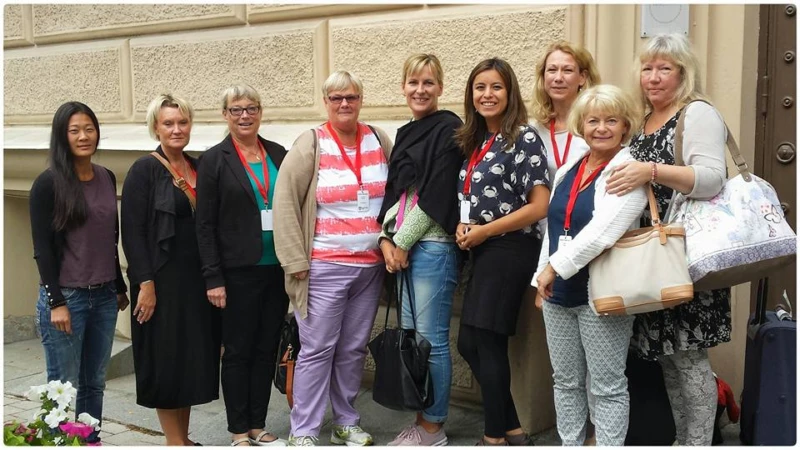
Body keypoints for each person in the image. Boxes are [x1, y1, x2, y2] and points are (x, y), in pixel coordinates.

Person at [605, 33, 729, 446]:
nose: (654, 77)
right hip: (652, 255)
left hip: (685, 254)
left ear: (683, 72)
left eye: (665, 69)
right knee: (670, 360)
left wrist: (651, 171)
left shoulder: (696, 113)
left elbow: (712, 178)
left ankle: (699, 443)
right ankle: (681, 441)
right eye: (647, 68)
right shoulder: (641, 120)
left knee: (690, 358)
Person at [273, 71, 393, 447]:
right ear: (326, 102)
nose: (345, 104)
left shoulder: (378, 138)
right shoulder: (311, 143)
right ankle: (303, 430)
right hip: (322, 266)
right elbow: (285, 202)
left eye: (352, 97)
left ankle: (346, 421)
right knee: (317, 349)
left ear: (361, 100)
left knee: (353, 348)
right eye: (337, 98)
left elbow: (397, 194)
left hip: (370, 268)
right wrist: (295, 260)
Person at [532, 85, 647, 446]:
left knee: (607, 386)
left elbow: (602, 234)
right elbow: (552, 227)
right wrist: (541, 278)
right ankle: (571, 443)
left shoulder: (627, 171)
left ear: (625, 126)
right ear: (581, 124)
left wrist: (553, 269)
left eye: (611, 120)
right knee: (565, 381)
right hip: (558, 294)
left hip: (602, 296)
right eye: (593, 120)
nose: (601, 128)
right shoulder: (569, 168)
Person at [453, 58, 550, 446]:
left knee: (486, 342)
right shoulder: (475, 141)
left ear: (509, 93)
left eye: (496, 87)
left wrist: (484, 231)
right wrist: (467, 228)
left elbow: (539, 205)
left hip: (511, 249)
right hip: (484, 248)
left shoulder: (523, 137)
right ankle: (511, 426)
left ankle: (494, 436)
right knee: (469, 343)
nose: (487, 95)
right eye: (480, 87)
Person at [121, 94, 221, 446]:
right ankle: (174, 442)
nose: (176, 129)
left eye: (182, 122)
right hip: (160, 283)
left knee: (189, 361)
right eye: (168, 123)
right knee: (166, 361)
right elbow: (132, 233)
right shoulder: (143, 170)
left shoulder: (198, 167)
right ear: (156, 128)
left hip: (195, 282)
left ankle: (183, 438)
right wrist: (145, 283)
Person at [377, 54, 464, 447]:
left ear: (441, 88)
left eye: (428, 82)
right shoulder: (408, 131)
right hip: (407, 247)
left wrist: (400, 241)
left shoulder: (449, 129)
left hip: (433, 248)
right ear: (403, 86)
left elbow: (436, 196)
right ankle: (421, 420)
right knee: (414, 339)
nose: (420, 90)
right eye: (413, 82)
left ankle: (433, 429)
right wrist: (385, 239)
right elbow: (399, 195)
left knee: (432, 339)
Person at [30, 101, 129, 443]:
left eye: (89, 128)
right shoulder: (48, 184)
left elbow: (108, 238)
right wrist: (55, 301)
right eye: (74, 130)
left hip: (102, 298)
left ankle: (89, 440)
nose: (84, 136)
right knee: (62, 387)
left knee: (94, 382)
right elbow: (42, 249)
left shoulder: (106, 177)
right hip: (67, 299)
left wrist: (119, 286)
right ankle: (54, 442)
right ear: (62, 136)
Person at [195, 84, 289, 447]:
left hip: (275, 269)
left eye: (251, 108)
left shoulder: (278, 154)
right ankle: (238, 430)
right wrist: (212, 277)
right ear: (225, 115)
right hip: (235, 273)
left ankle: (258, 424)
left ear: (261, 112)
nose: (245, 115)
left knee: (266, 348)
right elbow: (204, 225)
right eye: (236, 109)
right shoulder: (214, 160)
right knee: (237, 351)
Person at [530, 41, 602, 444]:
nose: (558, 77)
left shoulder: (597, 123)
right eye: (551, 70)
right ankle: (571, 437)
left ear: (583, 78)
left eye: (567, 70)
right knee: (566, 367)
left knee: (599, 363)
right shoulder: (533, 130)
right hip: (546, 251)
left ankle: (597, 435)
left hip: (592, 254)